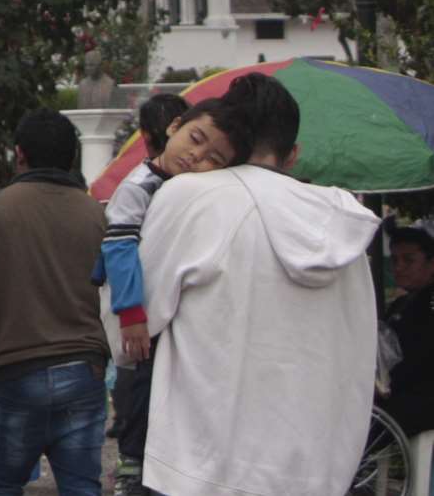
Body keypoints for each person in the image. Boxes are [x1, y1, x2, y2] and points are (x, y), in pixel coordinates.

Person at [140, 73, 378, 496]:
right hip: (316, 473)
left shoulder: (192, 196)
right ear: (293, 155)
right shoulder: (345, 230)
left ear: (227, 135)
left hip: (202, 467)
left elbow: (138, 319)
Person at [0, 109, 110, 496]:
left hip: (13, 371)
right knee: (83, 486)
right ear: (72, 158)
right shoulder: (96, 214)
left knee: (1, 484)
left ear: (20, 154)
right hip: (84, 370)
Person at [97, 91, 238, 495]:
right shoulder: (138, 186)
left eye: (215, 158)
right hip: (138, 321)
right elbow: (119, 250)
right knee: (140, 393)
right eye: (196, 140)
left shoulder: (187, 189)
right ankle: (134, 470)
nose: (197, 158)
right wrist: (132, 315)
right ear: (174, 128)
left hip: (163, 320)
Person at [378, 225, 434, 436]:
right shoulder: (399, 304)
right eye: (394, 260)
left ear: (431, 263)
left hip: (421, 398)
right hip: (396, 391)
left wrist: (388, 383)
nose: (399, 267)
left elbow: (421, 354)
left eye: (408, 260)